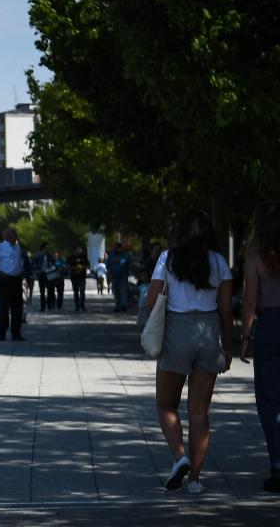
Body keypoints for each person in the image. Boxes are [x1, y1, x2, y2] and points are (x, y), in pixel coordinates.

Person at [146, 210, 232, 495]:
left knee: (165, 405)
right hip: (208, 333)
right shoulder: (219, 262)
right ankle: (195, 479)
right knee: (199, 412)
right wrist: (227, 346)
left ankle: (179, 456)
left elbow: (152, 300)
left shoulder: (167, 258)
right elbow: (225, 310)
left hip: (176, 332)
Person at [242, 201, 280, 493]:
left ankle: (277, 465)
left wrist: (246, 337)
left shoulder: (256, 256)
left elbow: (251, 301)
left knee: (269, 398)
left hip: (270, 325)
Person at [0, 228, 25, 341]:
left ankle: (16, 333)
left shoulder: (18, 247)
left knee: (17, 307)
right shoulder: (0, 247)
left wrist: (21, 271)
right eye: (13, 235)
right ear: (6, 236)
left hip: (16, 279)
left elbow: (20, 262)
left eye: (15, 235)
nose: (15, 237)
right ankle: (2, 334)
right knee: (4, 307)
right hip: (5, 279)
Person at [108, 242, 132, 312]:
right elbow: (108, 265)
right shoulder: (111, 255)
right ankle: (117, 306)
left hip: (123, 275)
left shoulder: (125, 255)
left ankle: (124, 305)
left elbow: (128, 263)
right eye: (115, 247)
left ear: (120, 248)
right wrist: (109, 274)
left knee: (123, 290)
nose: (116, 249)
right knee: (116, 291)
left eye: (117, 247)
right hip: (114, 275)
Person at [67, 247, 89, 311]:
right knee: (76, 292)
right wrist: (74, 267)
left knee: (82, 291)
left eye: (80, 250)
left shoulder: (84, 257)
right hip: (74, 277)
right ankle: (77, 306)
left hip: (82, 277)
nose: (79, 251)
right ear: (75, 251)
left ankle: (82, 305)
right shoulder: (71, 258)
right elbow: (67, 266)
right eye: (77, 250)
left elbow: (88, 265)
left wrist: (82, 266)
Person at [33, 243, 54, 312]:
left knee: (50, 290)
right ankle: (43, 306)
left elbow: (54, 262)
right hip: (41, 274)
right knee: (42, 291)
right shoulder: (38, 255)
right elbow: (33, 263)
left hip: (48, 274)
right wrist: (36, 270)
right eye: (46, 248)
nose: (47, 249)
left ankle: (49, 305)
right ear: (42, 248)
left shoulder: (49, 255)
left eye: (47, 248)